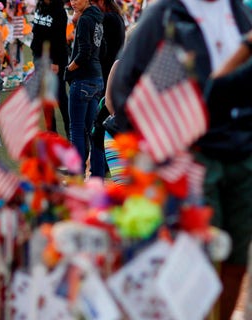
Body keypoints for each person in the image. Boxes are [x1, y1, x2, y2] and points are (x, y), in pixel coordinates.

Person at [109, 0, 252, 318]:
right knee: (198, 261)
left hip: (242, 153)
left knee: (237, 257)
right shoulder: (166, 14)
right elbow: (124, 88)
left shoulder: (240, 12)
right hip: (191, 157)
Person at [64, 0, 104, 177]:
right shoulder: (97, 16)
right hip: (96, 79)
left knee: (77, 131)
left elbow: (84, 52)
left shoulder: (86, 19)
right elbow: (101, 48)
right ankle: (98, 176)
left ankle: (77, 176)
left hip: (83, 80)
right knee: (93, 131)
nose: (73, 2)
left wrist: (69, 68)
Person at [30, 0, 68, 137]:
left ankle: (70, 131)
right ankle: (52, 132)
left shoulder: (59, 11)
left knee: (60, 96)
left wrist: (56, 62)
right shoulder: (40, 7)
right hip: (40, 59)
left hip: (54, 61)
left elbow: (60, 39)